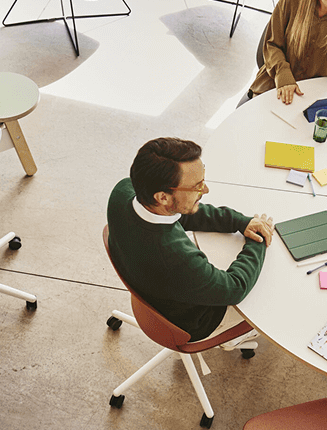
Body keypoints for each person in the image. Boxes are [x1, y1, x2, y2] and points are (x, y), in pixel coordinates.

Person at [107, 137, 275, 342]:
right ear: (163, 197)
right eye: (197, 186)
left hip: (150, 289)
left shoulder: (124, 191)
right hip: (195, 322)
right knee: (273, 293)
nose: (206, 190)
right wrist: (258, 240)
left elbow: (182, 211)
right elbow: (235, 287)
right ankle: (236, 337)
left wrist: (239, 222)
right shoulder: (177, 259)